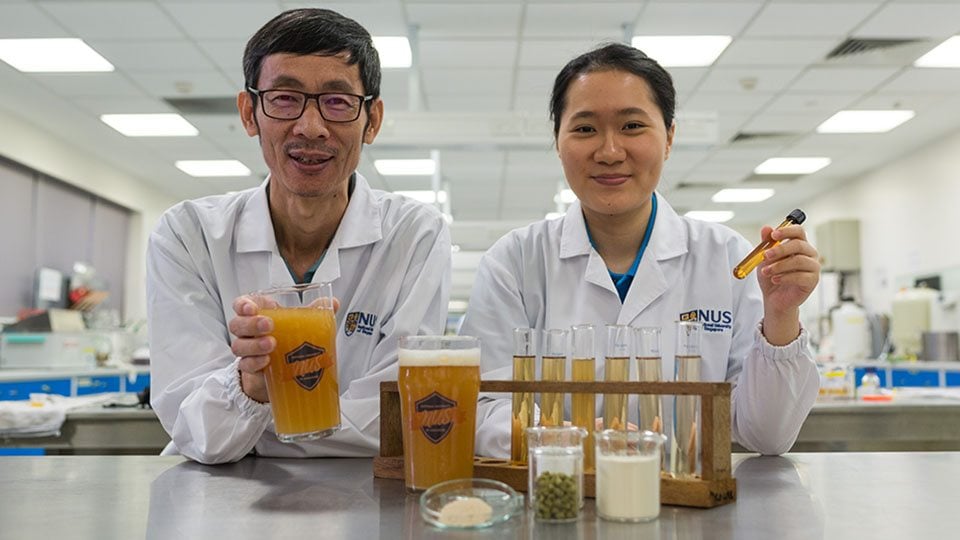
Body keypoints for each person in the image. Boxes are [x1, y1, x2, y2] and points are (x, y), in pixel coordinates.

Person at [462, 43, 821, 457]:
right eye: (585, 129)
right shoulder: (515, 262)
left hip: (688, 494)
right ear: (558, 142)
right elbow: (482, 407)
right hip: (557, 492)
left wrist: (781, 316)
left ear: (669, 138)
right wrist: (568, 439)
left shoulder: (726, 258)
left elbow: (767, 436)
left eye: (632, 126)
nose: (609, 152)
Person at [147, 8, 451, 464]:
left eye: (338, 102)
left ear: (372, 120)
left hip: (361, 493)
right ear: (249, 113)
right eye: (285, 99)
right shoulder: (189, 236)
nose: (311, 127)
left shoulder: (414, 236)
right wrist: (252, 383)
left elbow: (396, 419)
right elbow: (195, 432)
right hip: (220, 494)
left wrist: (249, 418)